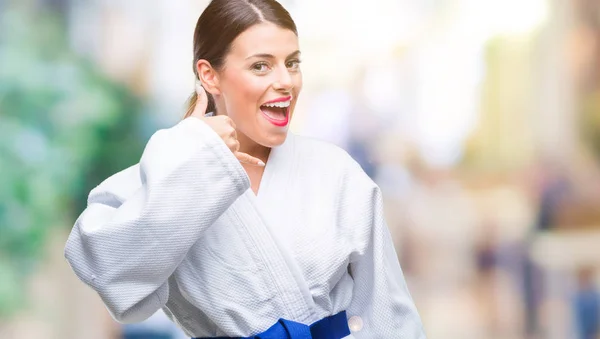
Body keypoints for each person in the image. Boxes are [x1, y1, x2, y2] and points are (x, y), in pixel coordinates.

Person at [64, 0, 426, 338]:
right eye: (261, 65)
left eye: (293, 62)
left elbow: (390, 314)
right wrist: (198, 167)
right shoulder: (167, 170)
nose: (285, 81)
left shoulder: (336, 173)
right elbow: (109, 275)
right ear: (210, 76)